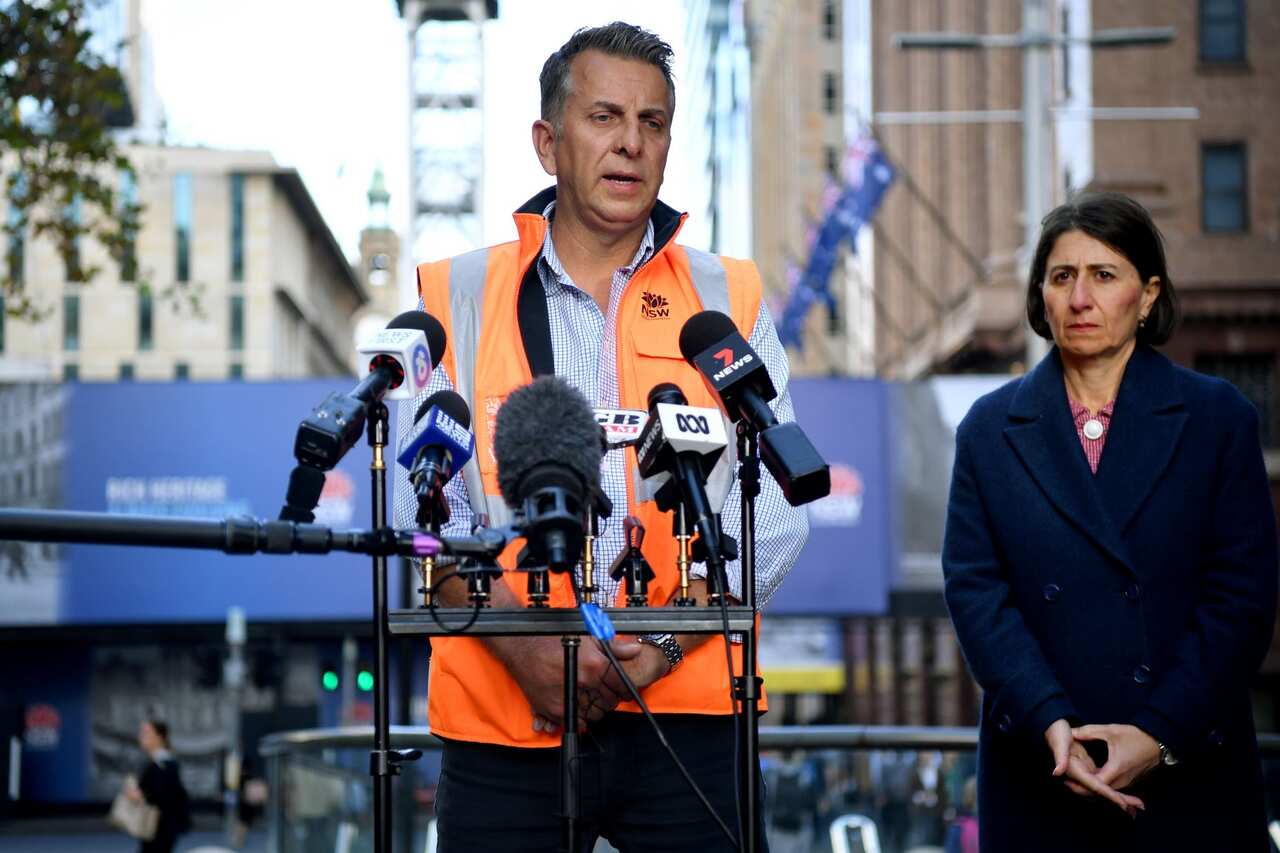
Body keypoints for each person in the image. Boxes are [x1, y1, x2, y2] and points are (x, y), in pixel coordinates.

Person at [392, 21, 809, 853]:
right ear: (548, 142)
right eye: (604, 117)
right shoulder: (457, 294)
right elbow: (420, 516)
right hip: (503, 726)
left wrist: (654, 647)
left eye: (652, 123)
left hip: (691, 721)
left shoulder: (728, 296)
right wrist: (527, 648)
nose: (630, 144)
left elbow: (778, 518)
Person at [942, 191, 1277, 851]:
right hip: (1043, 772)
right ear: (1040, 295)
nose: (1079, 297)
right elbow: (976, 592)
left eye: (1104, 275)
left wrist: (1158, 733)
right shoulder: (990, 428)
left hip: (1190, 779)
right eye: (1062, 276)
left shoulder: (1216, 418)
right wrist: (1048, 718)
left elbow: (1241, 598)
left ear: (1148, 295)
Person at [127, 719, 191, 853]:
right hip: (154, 827)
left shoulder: (164, 764)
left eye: (146, 733)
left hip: (161, 828)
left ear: (159, 737)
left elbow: (165, 796)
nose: (141, 737)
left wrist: (141, 795)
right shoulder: (157, 762)